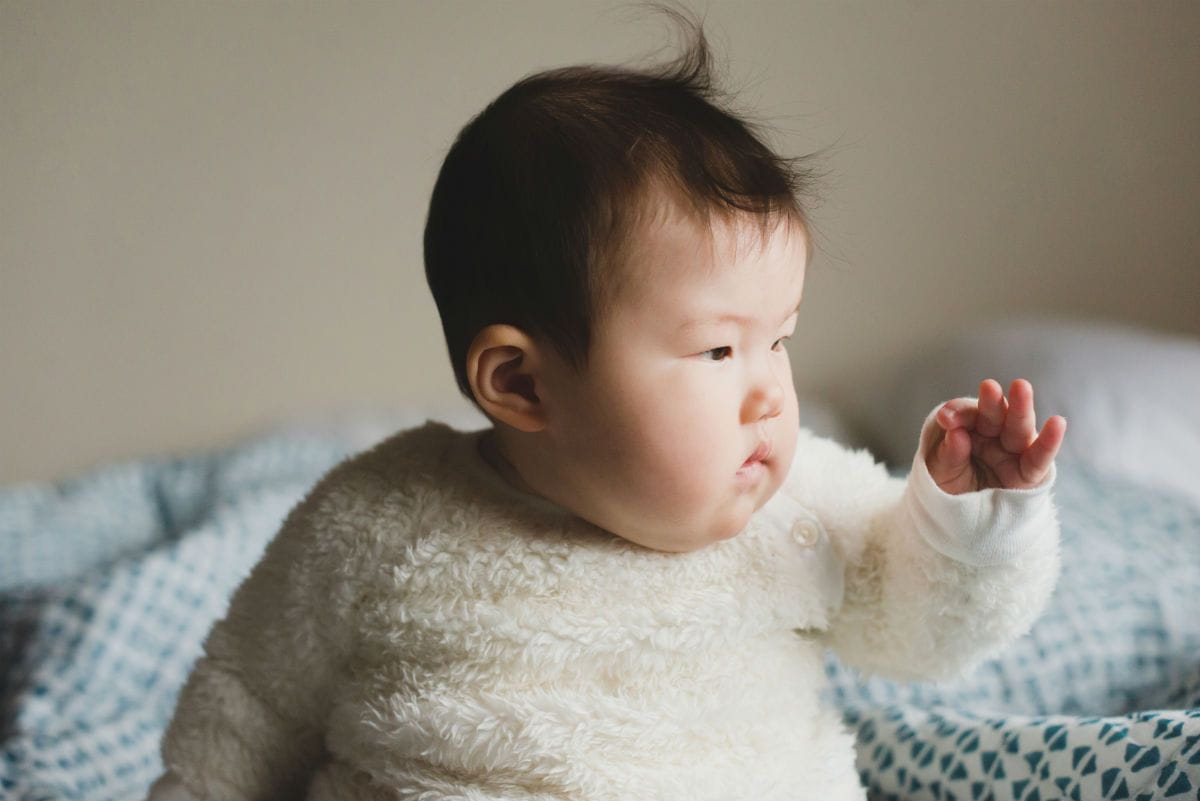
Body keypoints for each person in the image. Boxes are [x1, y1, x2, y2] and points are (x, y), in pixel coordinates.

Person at [146, 7, 1066, 800]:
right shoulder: (380, 521)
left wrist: (965, 522)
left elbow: (920, 624)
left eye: (777, 339)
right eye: (716, 348)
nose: (767, 395)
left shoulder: (789, 507)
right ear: (522, 383)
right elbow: (248, 704)